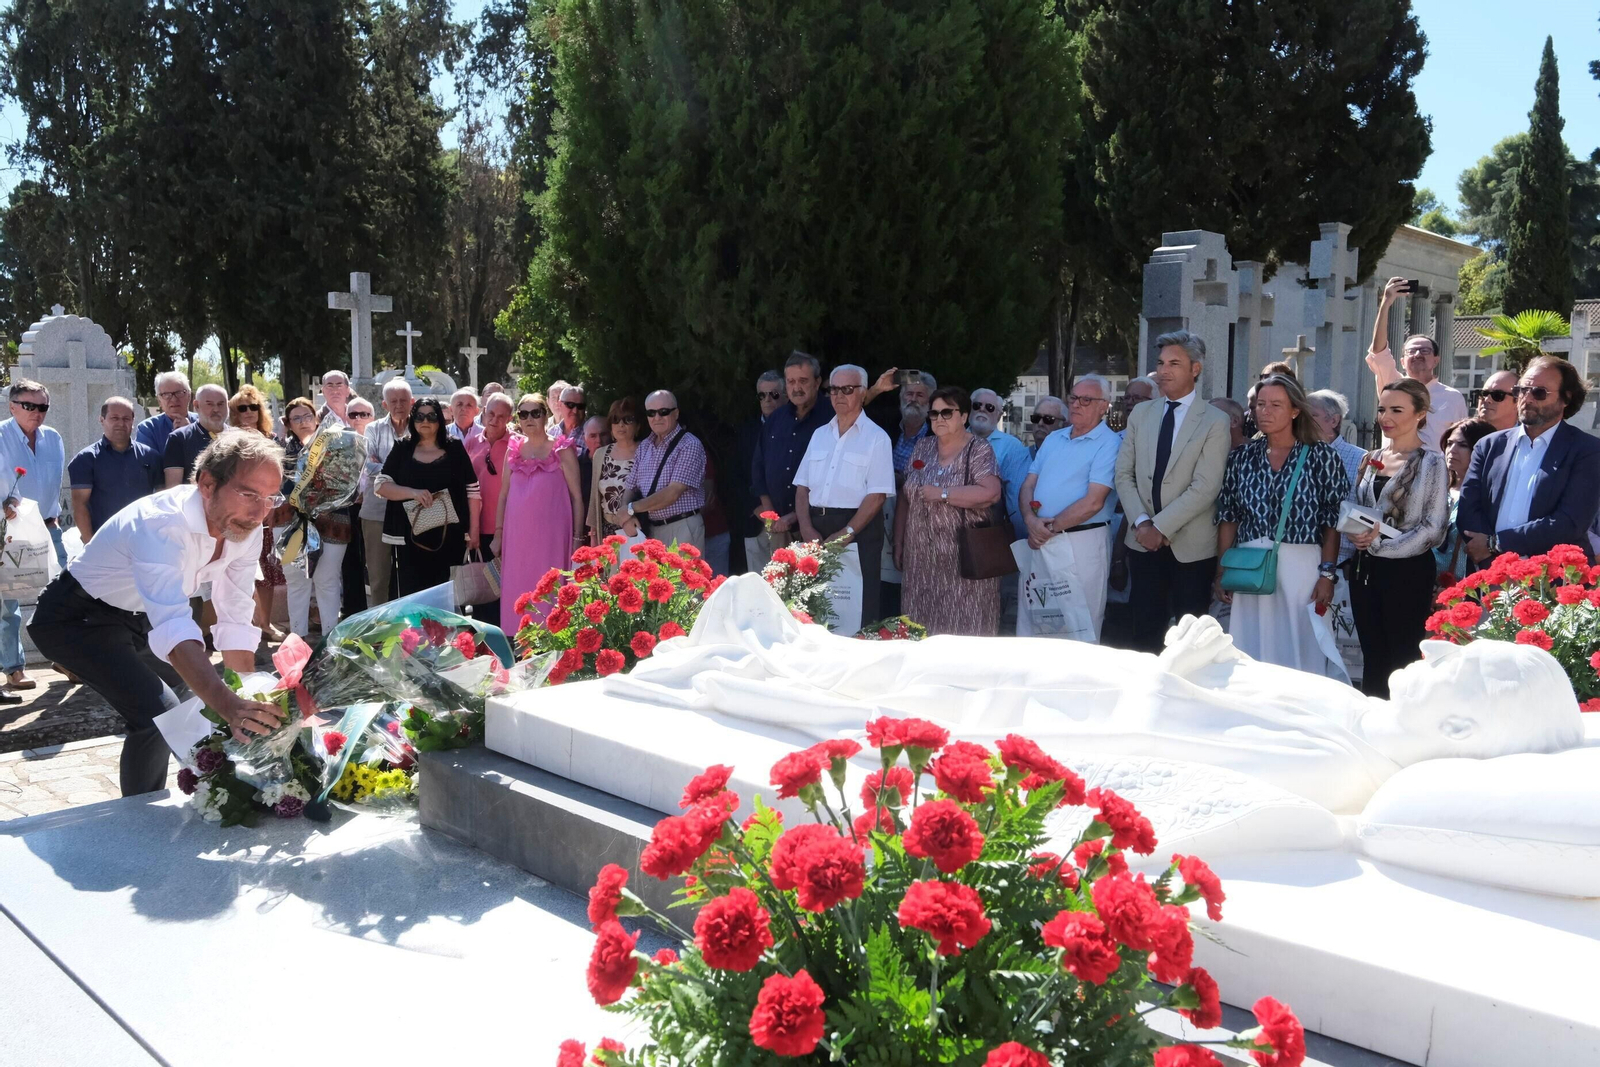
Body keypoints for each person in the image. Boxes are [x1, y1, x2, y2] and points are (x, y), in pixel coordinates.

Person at [28, 431, 288, 795]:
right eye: (248, 494)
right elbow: (174, 624)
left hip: (136, 615)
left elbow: (235, 612)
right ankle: (140, 819)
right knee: (158, 714)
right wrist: (230, 706)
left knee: (194, 697)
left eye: (269, 498)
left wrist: (247, 697)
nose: (260, 511)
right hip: (74, 618)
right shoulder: (160, 524)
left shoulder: (247, 525)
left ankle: (223, 787)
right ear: (207, 484)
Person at [1213, 374, 1349, 675]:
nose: (1266, 411)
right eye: (1260, 404)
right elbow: (1229, 515)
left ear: (1294, 410)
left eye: (1276, 404)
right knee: (1252, 646)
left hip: (1301, 564)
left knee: (1301, 644)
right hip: (1250, 565)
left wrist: (1327, 574)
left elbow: (1332, 521)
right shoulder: (1242, 457)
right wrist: (1222, 571)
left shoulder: (1320, 456)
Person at [1112, 332, 1232, 653]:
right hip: (1142, 544)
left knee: (1190, 642)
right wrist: (1142, 524)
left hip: (1190, 549)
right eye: (1161, 363)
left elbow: (1206, 486)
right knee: (1143, 636)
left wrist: (1160, 527)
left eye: (1174, 363)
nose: (1164, 370)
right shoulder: (1142, 414)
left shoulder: (1215, 421)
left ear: (1195, 369)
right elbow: (1123, 474)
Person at [1346, 378, 1450, 698]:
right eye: (1381, 409)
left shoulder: (1432, 462)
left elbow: (1435, 528)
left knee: (1403, 656)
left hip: (1408, 572)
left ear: (1420, 414)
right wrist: (1357, 536)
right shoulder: (1370, 457)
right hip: (1364, 571)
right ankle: (1372, 720)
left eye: (1396, 409)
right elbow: (1356, 507)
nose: (1385, 417)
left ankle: (1404, 723)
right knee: (1372, 653)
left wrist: (1380, 546)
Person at [1456, 355, 1600, 567]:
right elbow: (1468, 510)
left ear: (1566, 398)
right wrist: (1492, 559)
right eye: (1522, 390)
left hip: (1552, 580)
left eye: (1539, 392)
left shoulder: (1587, 450)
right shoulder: (1488, 446)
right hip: (1491, 573)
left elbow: (1570, 521)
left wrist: (1497, 543)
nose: (1527, 398)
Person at [1018, 374, 1121, 642]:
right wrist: (1030, 520)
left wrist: (1046, 529)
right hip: (1040, 541)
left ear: (1104, 406)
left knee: (1078, 627)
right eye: (1073, 397)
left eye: (1086, 399)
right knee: (1036, 624)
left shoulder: (1110, 443)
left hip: (1081, 543)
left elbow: (1094, 501)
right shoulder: (1054, 439)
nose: (1076, 404)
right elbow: (1028, 484)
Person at [894, 387, 1003, 635]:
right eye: (934, 414)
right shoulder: (922, 447)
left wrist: (943, 493)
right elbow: (906, 496)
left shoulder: (979, 449)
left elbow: (991, 492)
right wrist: (899, 542)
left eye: (946, 412)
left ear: (963, 416)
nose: (939, 419)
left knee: (963, 631)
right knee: (920, 629)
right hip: (920, 561)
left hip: (963, 559)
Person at [794, 365, 896, 622]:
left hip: (858, 531)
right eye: (834, 389)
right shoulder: (819, 435)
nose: (839, 395)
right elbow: (802, 487)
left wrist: (847, 533)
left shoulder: (877, 438)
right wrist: (806, 528)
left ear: (863, 393)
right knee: (815, 607)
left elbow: (877, 496)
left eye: (847, 389)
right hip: (815, 529)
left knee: (858, 609)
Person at [0, 379, 68, 693]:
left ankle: (65, 657)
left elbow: (52, 484)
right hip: (8, 529)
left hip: (47, 526)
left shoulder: (53, 438)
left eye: (42, 407)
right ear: (12, 406)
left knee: (64, 595)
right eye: (29, 406)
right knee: (6, 605)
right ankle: (14, 669)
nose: (36, 412)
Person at [376, 396, 480, 596]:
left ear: (440, 420)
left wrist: (473, 531)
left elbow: (473, 490)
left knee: (447, 596)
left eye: (432, 416)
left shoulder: (454, 448)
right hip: (410, 538)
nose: (425, 421)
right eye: (420, 417)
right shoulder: (402, 448)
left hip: (450, 536)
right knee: (412, 594)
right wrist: (413, 493)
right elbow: (381, 485)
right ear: (412, 420)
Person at [495, 393, 582, 624]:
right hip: (517, 540)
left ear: (546, 416)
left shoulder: (562, 449)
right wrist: (498, 533)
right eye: (524, 414)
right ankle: (520, 645)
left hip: (552, 538)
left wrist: (577, 539)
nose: (529, 418)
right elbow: (503, 495)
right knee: (518, 591)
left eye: (536, 413)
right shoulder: (512, 450)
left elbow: (577, 498)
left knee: (551, 594)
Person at [1364, 276, 1468, 452]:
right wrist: (1386, 302)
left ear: (1436, 360)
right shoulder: (1392, 385)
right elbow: (1379, 351)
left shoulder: (1453, 398)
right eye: (1411, 351)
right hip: (1393, 472)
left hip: (1436, 475)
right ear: (1402, 361)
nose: (1418, 354)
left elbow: (1462, 441)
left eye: (1425, 351)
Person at [278, 397, 353, 637]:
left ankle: (330, 640)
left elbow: (348, 483)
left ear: (317, 418)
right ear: (288, 424)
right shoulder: (281, 451)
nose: (303, 422)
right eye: (296, 418)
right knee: (297, 581)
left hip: (332, 521)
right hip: (290, 522)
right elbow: (278, 487)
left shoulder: (337, 445)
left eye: (307, 416)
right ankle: (296, 639)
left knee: (327, 580)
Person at [753, 353, 833, 571]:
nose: (797, 387)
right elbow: (759, 468)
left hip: (818, 528)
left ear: (817, 382)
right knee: (782, 596)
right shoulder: (775, 420)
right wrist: (772, 516)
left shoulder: (832, 418)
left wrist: (796, 516)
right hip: (779, 529)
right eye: (791, 381)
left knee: (815, 597)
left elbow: (833, 477)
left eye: (803, 381)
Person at [226, 385, 286, 643]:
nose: (249, 412)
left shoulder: (271, 439)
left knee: (267, 569)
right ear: (234, 412)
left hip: (265, 511)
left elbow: (281, 477)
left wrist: (272, 507)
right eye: (242, 408)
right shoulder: (227, 440)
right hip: (236, 513)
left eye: (254, 407)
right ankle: (243, 622)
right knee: (236, 568)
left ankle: (264, 622)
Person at [619, 390, 707, 551]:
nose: (657, 418)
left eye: (663, 412)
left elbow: (672, 493)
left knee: (683, 577)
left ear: (676, 413)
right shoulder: (645, 446)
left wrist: (631, 509)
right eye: (651, 413)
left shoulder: (690, 445)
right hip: (651, 530)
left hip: (682, 528)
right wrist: (626, 516)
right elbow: (630, 486)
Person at [69, 396, 163, 543]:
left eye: (126, 419)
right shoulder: (85, 459)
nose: (121, 423)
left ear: (133, 422)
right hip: (103, 541)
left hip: (143, 540)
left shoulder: (151, 457)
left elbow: (161, 498)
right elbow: (80, 505)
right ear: (102, 420)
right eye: (114, 418)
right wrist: (90, 544)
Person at [360, 379, 413, 604]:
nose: (399, 405)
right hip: (376, 511)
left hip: (413, 509)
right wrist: (404, 472)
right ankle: (380, 630)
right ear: (384, 404)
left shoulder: (422, 428)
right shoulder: (373, 429)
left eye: (403, 400)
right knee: (379, 576)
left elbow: (424, 464)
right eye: (394, 401)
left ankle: (413, 630)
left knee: (412, 573)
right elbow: (366, 465)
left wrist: (385, 470)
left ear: (413, 402)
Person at [466, 391, 515, 627]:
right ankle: (482, 644)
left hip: (507, 528)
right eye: (491, 414)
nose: (494, 420)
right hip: (477, 527)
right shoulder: (470, 443)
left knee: (506, 589)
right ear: (483, 413)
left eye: (501, 416)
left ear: (509, 418)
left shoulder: (517, 445)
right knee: (481, 593)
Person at [1306, 389, 1368, 567]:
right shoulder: (1295, 456)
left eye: (1313, 416)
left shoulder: (1360, 459)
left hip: (1342, 561)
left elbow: (1367, 507)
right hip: (1300, 557)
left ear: (1334, 420)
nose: (1304, 422)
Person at [732, 371, 784, 573]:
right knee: (759, 586)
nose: (767, 400)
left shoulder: (798, 427)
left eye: (774, 394)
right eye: (762, 395)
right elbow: (736, 476)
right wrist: (756, 509)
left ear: (786, 395)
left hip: (790, 520)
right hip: (757, 521)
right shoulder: (746, 431)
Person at [1434, 417, 1497, 580]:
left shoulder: (1489, 497)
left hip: (1468, 589)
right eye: (1449, 443)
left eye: (1462, 445)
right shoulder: (1438, 489)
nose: (1452, 450)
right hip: (1427, 584)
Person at [969, 388, 1030, 539]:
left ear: (999, 416)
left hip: (989, 529)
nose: (982, 409)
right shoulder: (953, 440)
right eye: (977, 405)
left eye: (989, 407)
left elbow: (1015, 495)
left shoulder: (1012, 446)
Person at [590, 397, 640, 543]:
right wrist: (593, 536)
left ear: (638, 425)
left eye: (628, 420)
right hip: (607, 532)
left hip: (637, 530)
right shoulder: (600, 454)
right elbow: (594, 500)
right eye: (616, 420)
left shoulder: (646, 451)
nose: (621, 425)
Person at [164, 383, 230, 487]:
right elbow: (173, 488)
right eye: (210, 404)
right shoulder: (179, 439)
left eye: (221, 404)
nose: (216, 409)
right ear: (196, 405)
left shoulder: (239, 438)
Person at [135, 370, 196, 455]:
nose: (174, 399)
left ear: (189, 396)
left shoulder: (204, 423)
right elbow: (148, 464)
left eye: (179, 393)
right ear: (159, 401)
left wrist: (192, 434)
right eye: (166, 394)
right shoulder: (147, 429)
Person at [892, 372, 934, 477]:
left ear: (930, 403)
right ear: (901, 398)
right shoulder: (886, 426)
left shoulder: (935, 438)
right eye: (909, 394)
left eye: (920, 395)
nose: (913, 399)